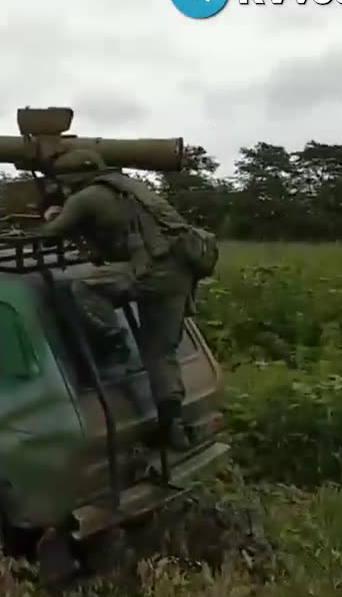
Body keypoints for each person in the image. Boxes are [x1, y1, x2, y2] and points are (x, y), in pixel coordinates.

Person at [37, 149, 218, 452]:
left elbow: (48, 235)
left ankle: (112, 342)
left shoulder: (86, 198)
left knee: (84, 288)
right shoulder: (129, 187)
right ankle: (171, 423)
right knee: (160, 352)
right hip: (179, 273)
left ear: (72, 179)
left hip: (150, 270)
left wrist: (52, 214)